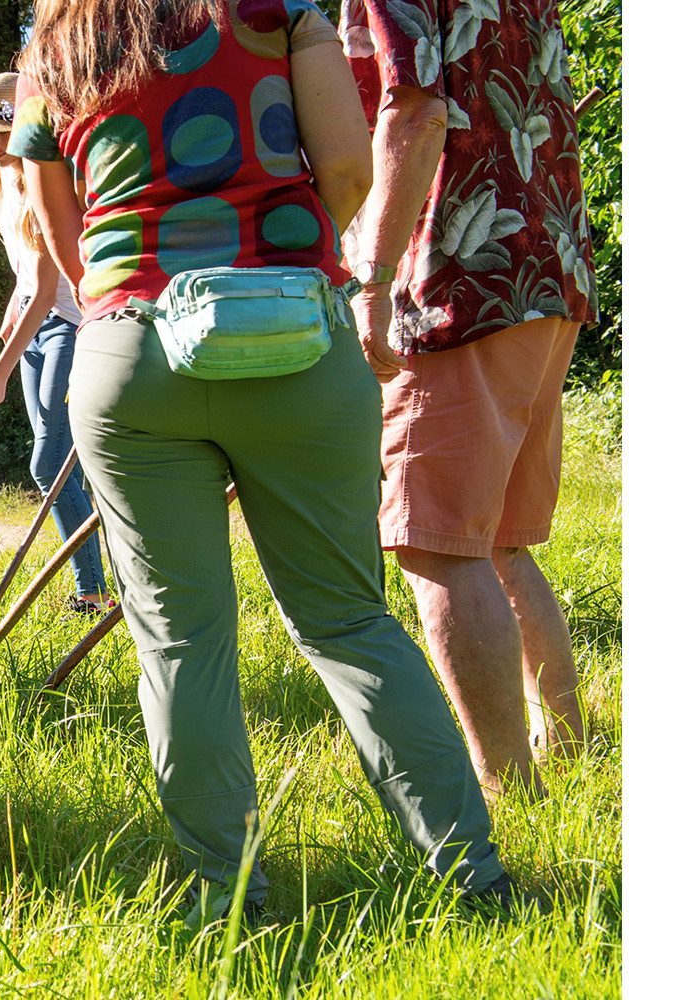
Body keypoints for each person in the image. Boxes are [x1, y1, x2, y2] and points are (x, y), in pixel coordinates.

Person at [11, 0, 510, 916]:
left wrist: (131, 297)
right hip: (295, 337)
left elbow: (60, 231)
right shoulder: (277, 10)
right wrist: (280, 253)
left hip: (131, 351)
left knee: (179, 640)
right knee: (349, 621)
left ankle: (229, 899)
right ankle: (473, 878)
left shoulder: (58, 45)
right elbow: (350, 169)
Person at [341, 1, 593, 800]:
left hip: (459, 278)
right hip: (547, 263)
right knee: (498, 541)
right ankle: (568, 752)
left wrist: (374, 278)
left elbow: (416, 110)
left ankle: (509, 791)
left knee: (439, 543)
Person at [0, 70, 111, 615]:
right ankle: (102, 581)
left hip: (69, 326)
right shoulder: (3, 182)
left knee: (50, 464)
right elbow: (27, 275)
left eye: (1, 133)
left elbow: (48, 293)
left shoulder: (45, 182)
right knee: (64, 465)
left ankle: (92, 591)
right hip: (34, 327)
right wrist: (10, 307)